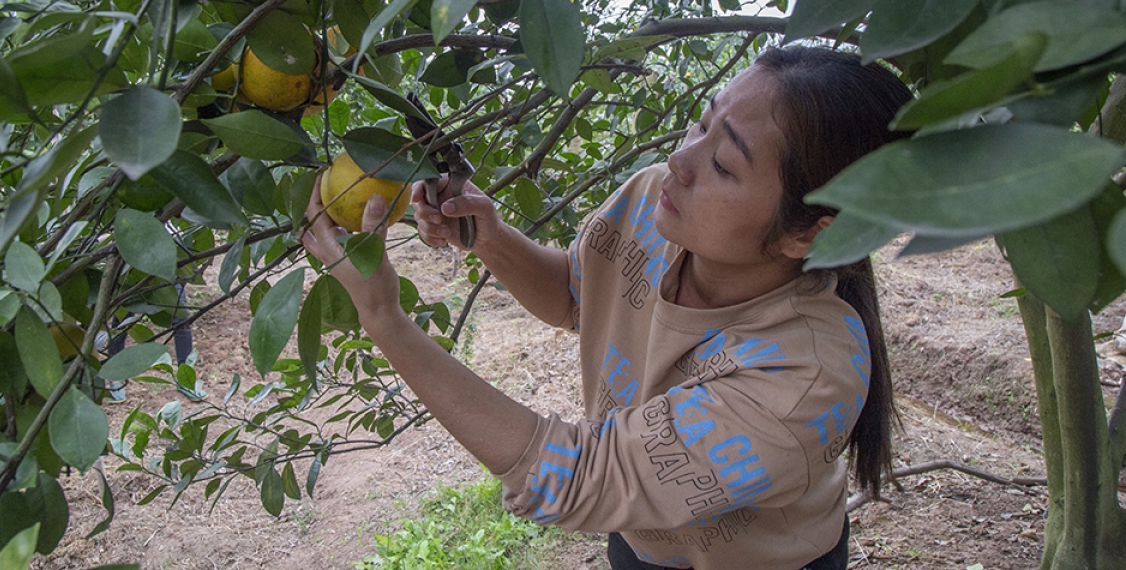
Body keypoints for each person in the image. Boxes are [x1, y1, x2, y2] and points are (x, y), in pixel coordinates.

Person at [301, 46, 912, 570]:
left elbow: (576, 478)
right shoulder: (654, 203)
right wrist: (488, 236)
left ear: (808, 234)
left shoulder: (808, 370)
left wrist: (383, 317)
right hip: (643, 539)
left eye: (723, 164)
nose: (681, 160)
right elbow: (578, 292)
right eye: (701, 125)